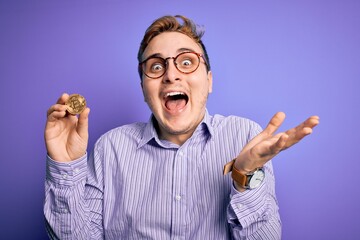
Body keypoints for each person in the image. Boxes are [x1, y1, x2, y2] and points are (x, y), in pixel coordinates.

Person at [44, 15, 319, 239]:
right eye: (155, 67)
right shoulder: (110, 148)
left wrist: (243, 176)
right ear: (143, 88)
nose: (171, 74)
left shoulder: (245, 137)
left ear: (209, 81)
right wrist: (65, 167)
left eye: (186, 62)